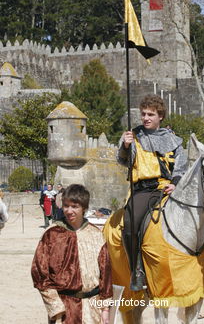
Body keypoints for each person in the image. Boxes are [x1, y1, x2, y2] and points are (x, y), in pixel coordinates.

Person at [117, 94, 187, 291]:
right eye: (143, 114)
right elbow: (123, 161)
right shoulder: (133, 136)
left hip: (167, 188)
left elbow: (181, 168)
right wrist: (125, 146)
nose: (146, 118)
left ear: (160, 116)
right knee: (130, 222)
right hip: (142, 190)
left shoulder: (173, 140)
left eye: (151, 114)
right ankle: (136, 270)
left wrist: (175, 184)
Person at [32, 184, 112, 324]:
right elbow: (39, 272)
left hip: (92, 309)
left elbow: (106, 274)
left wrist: (105, 309)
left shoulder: (96, 235)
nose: (69, 211)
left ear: (84, 208)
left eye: (75, 206)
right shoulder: (52, 234)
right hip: (64, 309)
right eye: (66, 206)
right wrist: (55, 306)